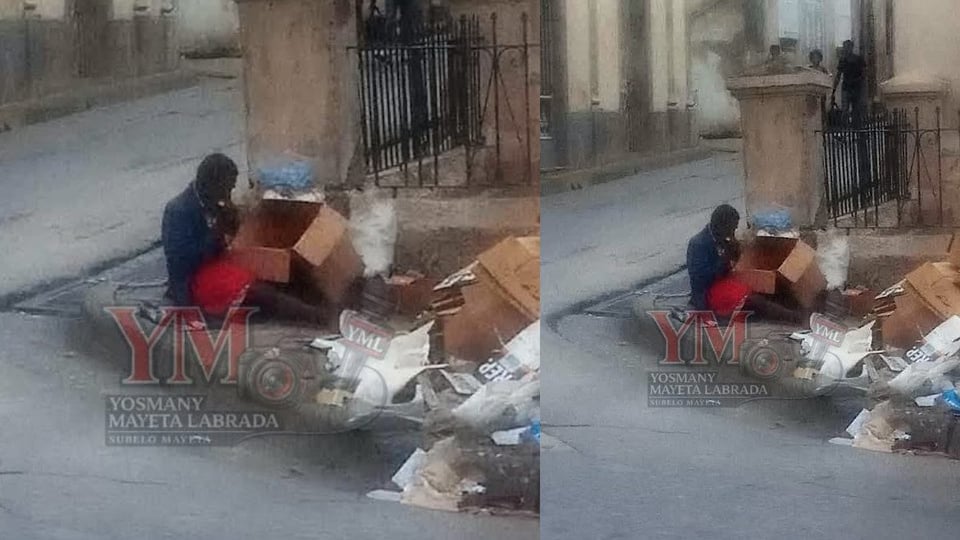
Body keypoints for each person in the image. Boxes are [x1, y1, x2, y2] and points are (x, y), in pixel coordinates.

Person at [161, 153, 338, 326]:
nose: (229, 193)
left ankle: (317, 307)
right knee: (257, 291)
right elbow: (182, 262)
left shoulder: (210, 199)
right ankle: (317, 318)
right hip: (195, 280)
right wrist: (216, 234)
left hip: (217, 265)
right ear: (212, 185)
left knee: (271, 277)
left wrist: (233, 220)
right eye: (227, 188)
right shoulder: (178, 211)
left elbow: (229, 236)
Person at [686, 205, 805, 324]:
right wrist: (724, 259)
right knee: (753, 300)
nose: (732, 232)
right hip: (708, 293)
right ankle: (794, 318)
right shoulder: (698, 244)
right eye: (731, 229)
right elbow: (701, 279)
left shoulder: (721, 237)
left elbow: (732, 263)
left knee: (761, 289)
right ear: (721, 226)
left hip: (724, 282)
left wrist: (737, 251)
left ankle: (794, 310)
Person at [832, 40, 866, 123]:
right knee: (845, 110)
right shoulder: (843, 60)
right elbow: (838, 75)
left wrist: (860, 82)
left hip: (856, 87)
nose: (846, 49)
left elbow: (864, 73)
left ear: (851, 47)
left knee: (856, 109)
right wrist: (834, 89)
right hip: (847, 87)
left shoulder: (858, 59)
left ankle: (856, 127)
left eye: (848, 47)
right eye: (845, 47)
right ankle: (846, 128)